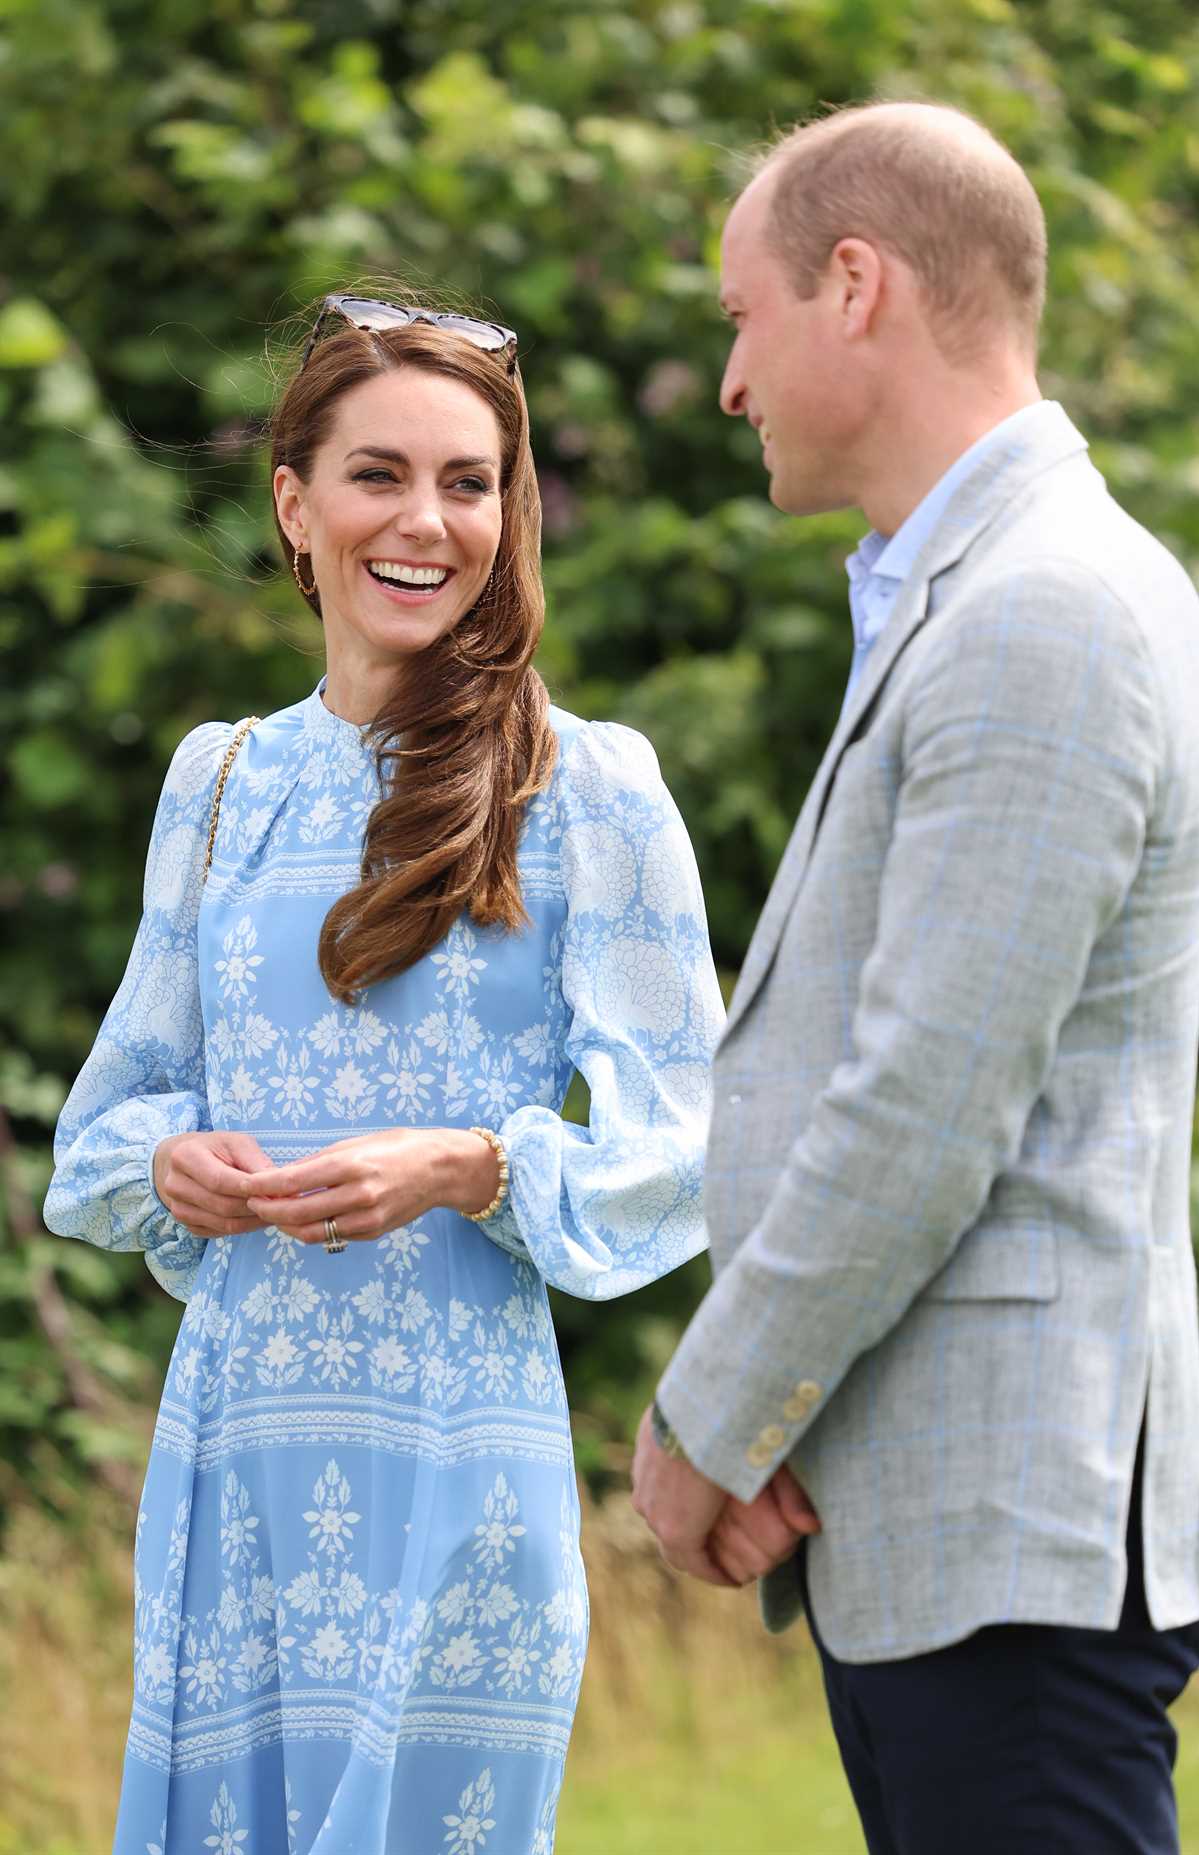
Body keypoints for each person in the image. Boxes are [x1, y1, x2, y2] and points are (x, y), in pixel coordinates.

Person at [631, 101, 1199, 1852]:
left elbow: (921, 1099)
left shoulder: (1042, 608)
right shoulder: (965, 595)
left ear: (854, 284)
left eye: (740, 319)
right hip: (946, 1535)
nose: (732, 383)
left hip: (1016, 1555)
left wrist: (710, 1420)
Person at [44, 293, 724, 1855]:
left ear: (511, 509)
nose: (427, 522)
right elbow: (100, 1132)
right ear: (295, 506)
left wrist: (476, 1165)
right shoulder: (216, 781)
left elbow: (693, 1141)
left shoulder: (589, 788)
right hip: (240, 1458)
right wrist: (167, 1167)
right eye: (379, 476)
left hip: (454, 1462)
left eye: (470, 482)